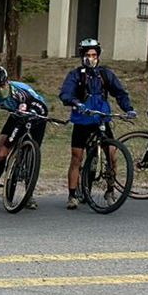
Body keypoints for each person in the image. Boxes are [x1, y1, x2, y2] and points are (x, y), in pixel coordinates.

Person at [59, 38, 135, 209]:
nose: (91, 58)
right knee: (77, 157)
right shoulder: (75, 75)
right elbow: (65, 94)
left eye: (94, 55)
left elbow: (120, 93)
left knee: (112, 155)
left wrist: (128, 108)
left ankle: (110, 190)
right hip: (82, 120)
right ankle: (72, 195)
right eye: (87, 55)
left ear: (98, 56)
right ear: (82, 56)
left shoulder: (106, 74)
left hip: (101, 118)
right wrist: (76, 103)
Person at [0, 65, 48, 210]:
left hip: (37, 115)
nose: (0, 90)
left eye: (2, 85)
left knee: (29, 152)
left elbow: (22, 123)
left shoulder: (19, 93)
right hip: (17, 116)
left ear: (7, 82)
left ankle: (29, 194)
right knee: (0, 153)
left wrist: (9, 143)